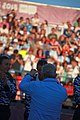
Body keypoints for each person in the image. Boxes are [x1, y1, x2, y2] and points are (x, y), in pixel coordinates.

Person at [0, 54, 16, 120]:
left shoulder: (11, 79)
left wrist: (5, 85)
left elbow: (13, 96)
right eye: (6, 64)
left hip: (4, 110)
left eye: (9, 65)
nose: (8, 67)